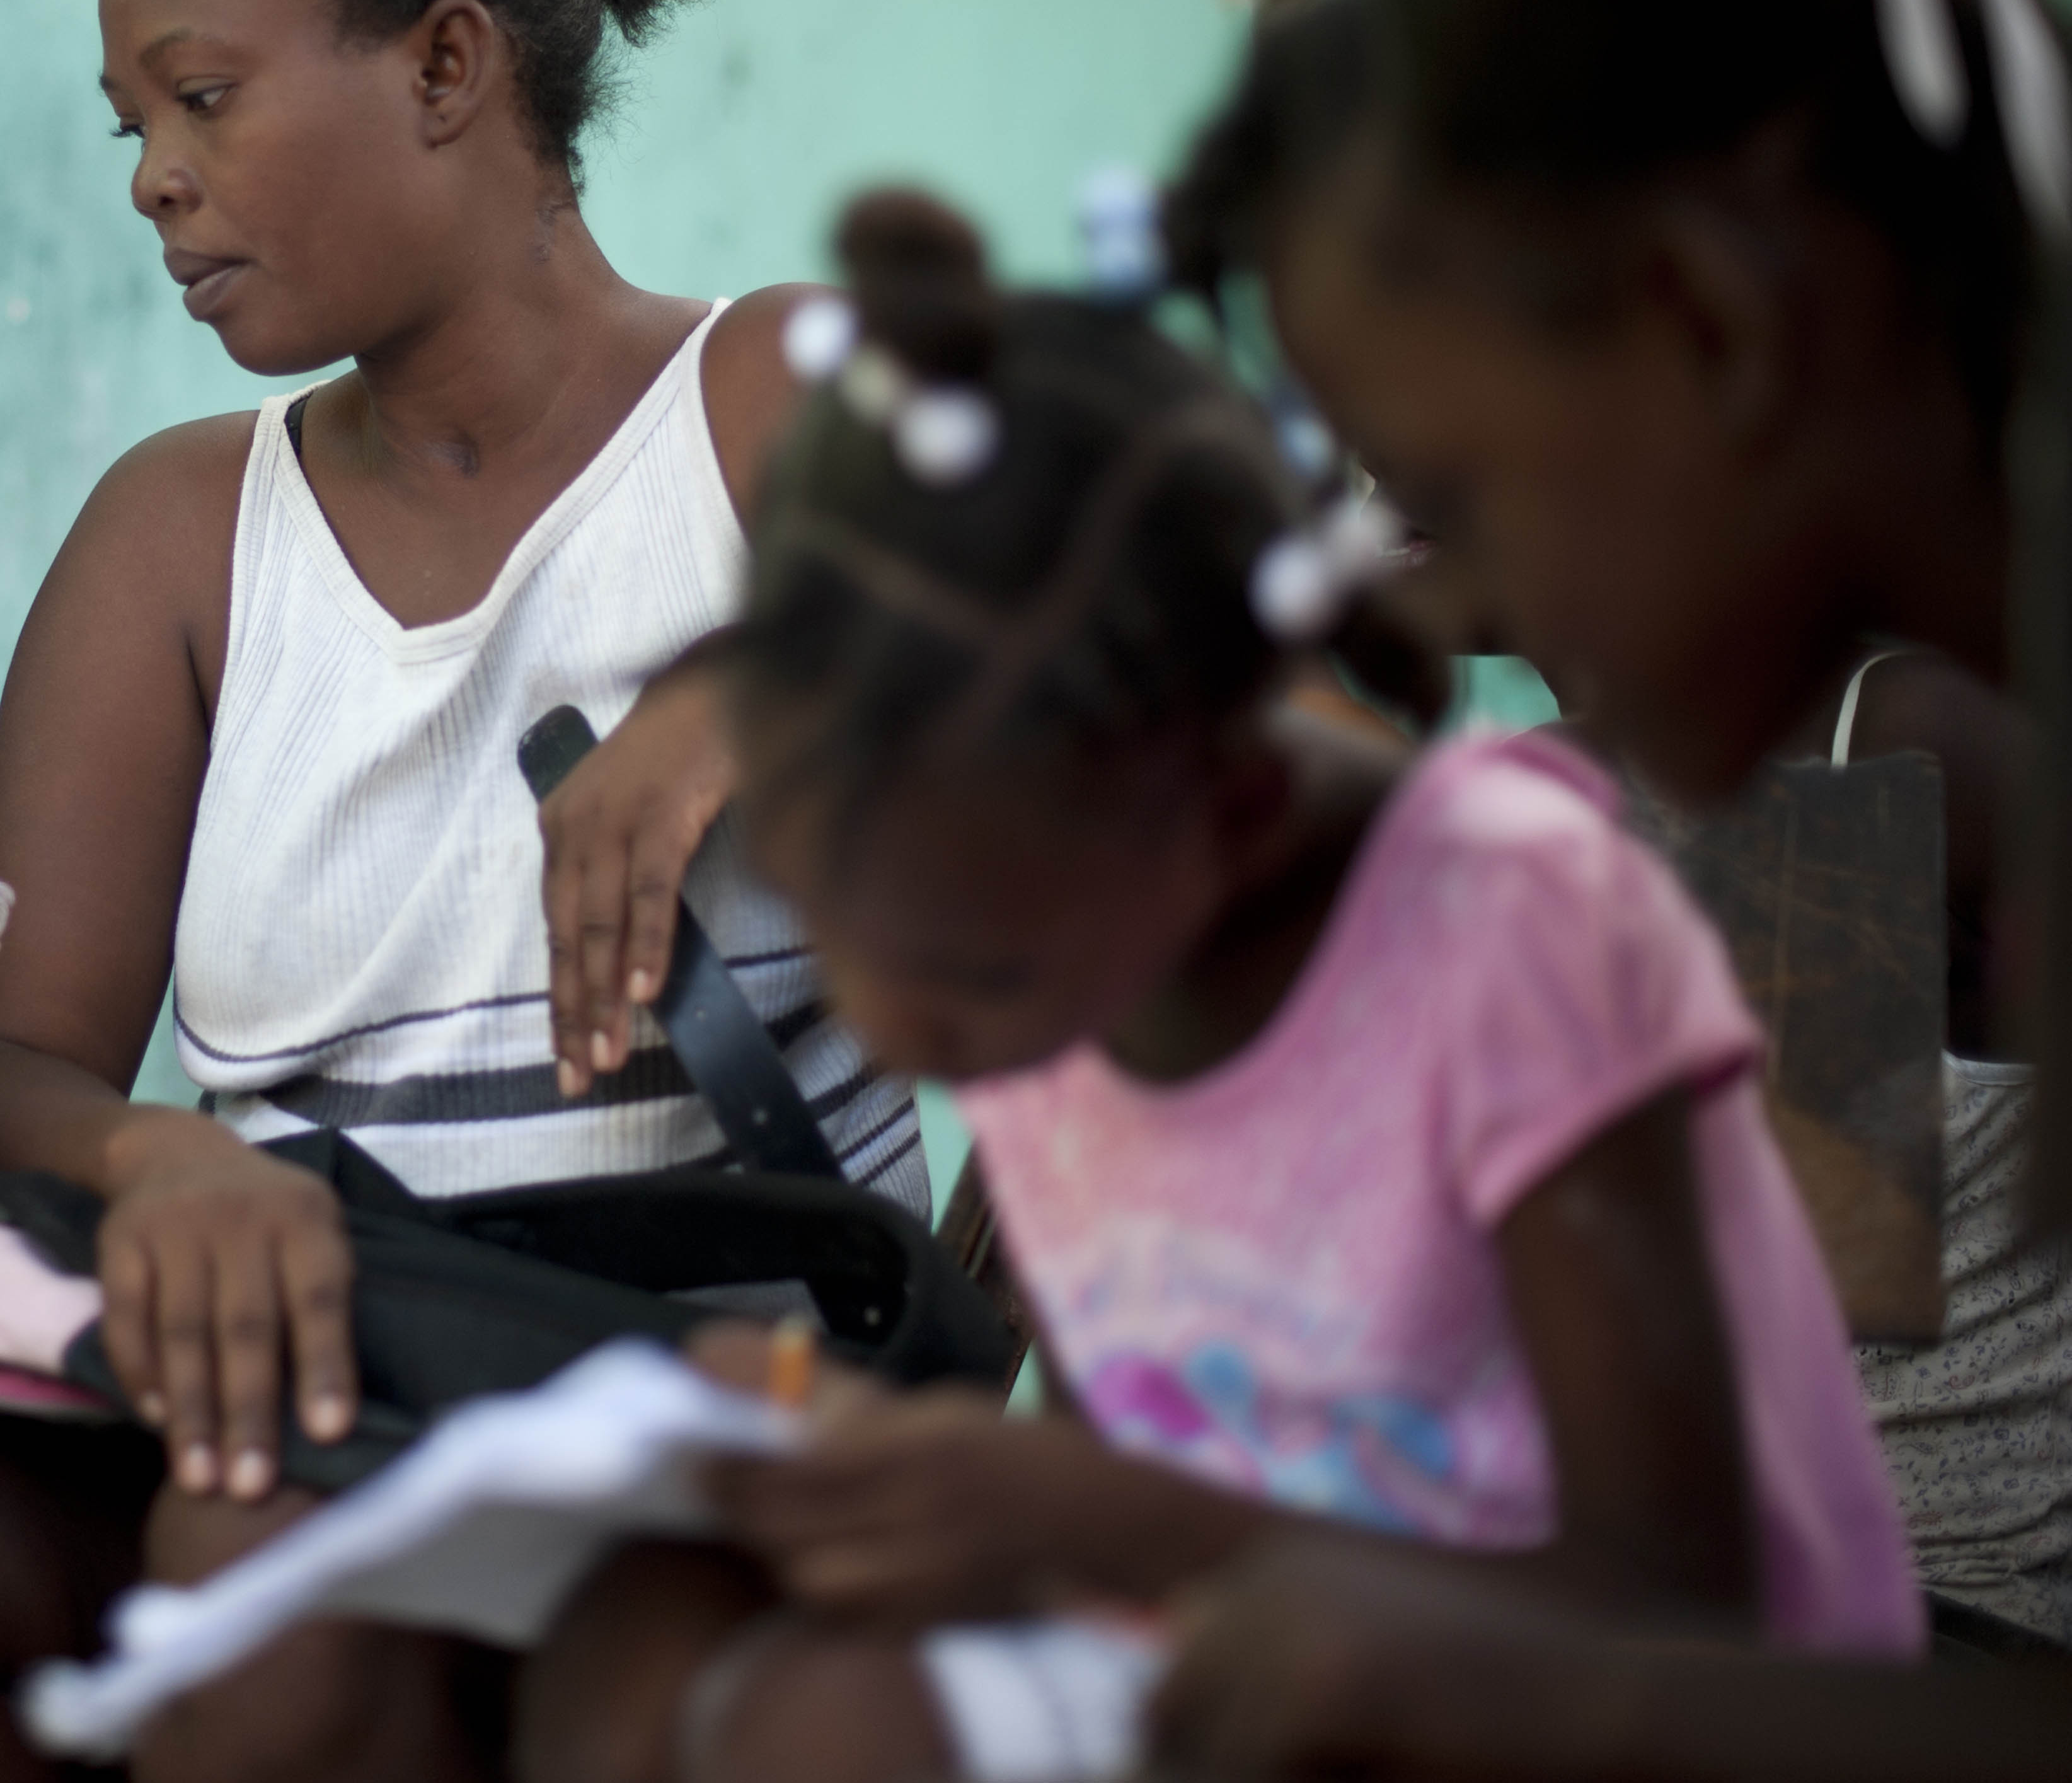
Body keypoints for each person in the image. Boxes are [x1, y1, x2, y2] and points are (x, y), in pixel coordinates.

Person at [0, 0, 923, 1783]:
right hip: (331, 1374)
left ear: (447, 64)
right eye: (132, 120)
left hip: (710, 1416)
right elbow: (10, 1077)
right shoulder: (178, 535)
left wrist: (745, 696)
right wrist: (169, 1160)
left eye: (202, 96)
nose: (152, 172)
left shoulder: (763, 398)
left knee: (263, 1555)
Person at [517, 192, 1919, 1783]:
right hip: (1256, 1678)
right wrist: (890, 1488)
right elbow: (1130, 1485)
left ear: (1232, 807)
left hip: (1619, 1720)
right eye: (845, 942)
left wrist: (1102, 1520)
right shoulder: (1058, 908)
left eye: (968, 982)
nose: (915, 1044)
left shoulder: (1518, 931)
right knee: (683, 1655)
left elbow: (1681, 1617)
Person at [1137, 0, 2072, 1777]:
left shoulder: (1875, 749)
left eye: (1440, 461)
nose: (1371, 514)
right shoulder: (1621, 763)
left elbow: (1802, 1326)